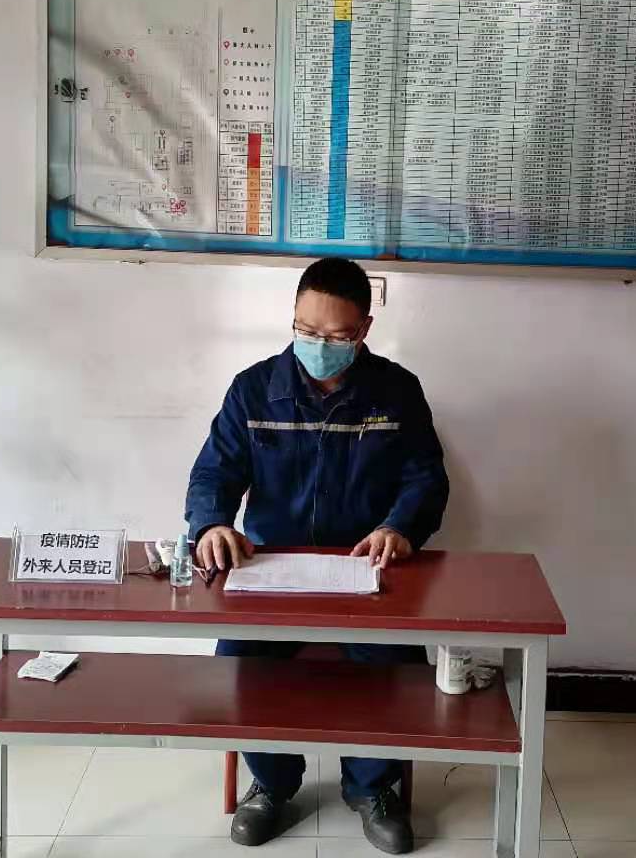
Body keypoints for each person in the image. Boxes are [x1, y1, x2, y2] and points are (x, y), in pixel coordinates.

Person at [186, 257, 449, 854]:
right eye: (306, 331)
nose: (319, 346)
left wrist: (399, 528)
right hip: (271, 571)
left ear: (364, 329)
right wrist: (211, 524)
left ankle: (373, 788)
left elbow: (426, 479)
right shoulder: (254, 389)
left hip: (367, 570)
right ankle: (272, 783)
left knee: (396, 666)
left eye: (335, 336)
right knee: (240, 661)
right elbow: (213, 473)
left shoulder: (397, 391)